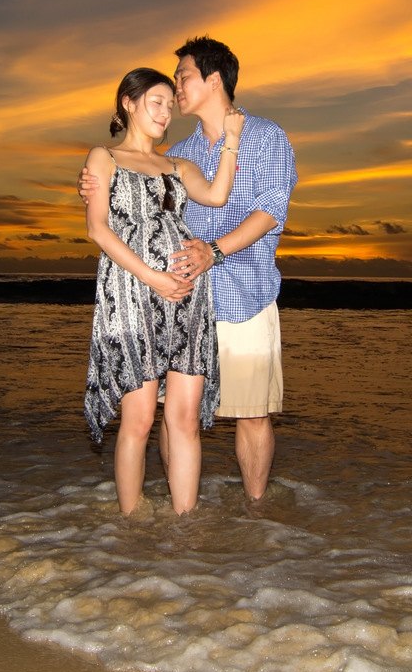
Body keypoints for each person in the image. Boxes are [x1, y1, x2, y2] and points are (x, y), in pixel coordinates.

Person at [82, 37, 297, 503]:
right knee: (166, 414)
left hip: (243, 292)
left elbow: (269, 211)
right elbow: (132, 215)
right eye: (162, 92)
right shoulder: (176, 152)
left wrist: (214, 252)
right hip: (177, 302)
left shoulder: (266, 137)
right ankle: (169, 530)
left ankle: (257, 515)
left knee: (253, 413)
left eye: (182, 78)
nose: (175, 91)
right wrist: (99, 185)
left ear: (213, 80)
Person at [83, 67, 244, 516]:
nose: (165, 112)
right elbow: (98, 229)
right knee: (137, 421)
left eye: (170, 105)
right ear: (127, 103)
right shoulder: (103, 158)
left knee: (185, 419)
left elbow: (216, 196)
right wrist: (153, 277)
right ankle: (131, 525)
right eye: (156, 102)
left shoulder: (179, 165)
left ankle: (185, 526)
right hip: (133, 300)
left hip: (189, 301)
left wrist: (230, 138)